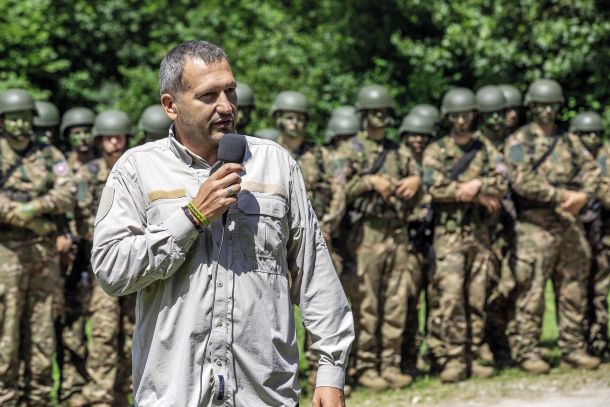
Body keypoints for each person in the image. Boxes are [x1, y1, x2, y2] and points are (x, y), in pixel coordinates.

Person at [91, 40, 353, 407]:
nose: (226, 106)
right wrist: (191, 218)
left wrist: (330, 370)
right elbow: (111, 271)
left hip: (264, 392)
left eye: (230, 91)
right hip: (175, 393)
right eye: (208, 95)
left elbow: (314, 272)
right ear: (171, 105)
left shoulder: (276, 164)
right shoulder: (136, 171)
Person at [504, 79, 601, 373]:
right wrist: (561, 196)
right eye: (541, 105)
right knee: (531, 292)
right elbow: (521, 181)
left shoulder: (570, 141)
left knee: (573, 289)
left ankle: (573, 347)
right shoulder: (519, 142)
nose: (547, 111)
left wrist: (584, 195)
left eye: (552, 105)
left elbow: (593, 170)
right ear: (531, 107)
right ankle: (528, 351)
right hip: (535, 227)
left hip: (569, 225)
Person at [339, 84, 420, 390]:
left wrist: (414, 181)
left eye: (384, 113)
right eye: (373, 113)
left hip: (396, 232)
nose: (380, 118)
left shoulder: (399, 150)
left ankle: (390, 363)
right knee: (367, 303)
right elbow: (339, 192)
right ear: (362, 115)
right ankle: (365, 366)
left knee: (396, 301)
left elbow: (419, 176)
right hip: (365, 234)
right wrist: (369, 182)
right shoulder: (349, 150)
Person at [423, 87, 507, 383]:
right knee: (451, 299)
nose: (461, 121)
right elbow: (432, 186)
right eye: (456, 115)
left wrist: (480, 184)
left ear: (474, 115)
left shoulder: (485, 148)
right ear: (449, 117)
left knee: (477, 297)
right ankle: (455, 359)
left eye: (466, 115)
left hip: (480, 235)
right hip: (450, 237)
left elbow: (503, 179)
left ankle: (473, 355)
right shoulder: (437, 150)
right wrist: (471, 192)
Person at [0, 88, 74, 406]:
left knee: (42, 329)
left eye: (24, 118)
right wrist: (25, 219)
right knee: (6, 330)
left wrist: (34, 208)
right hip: (6, 254)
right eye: (12, 119)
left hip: (43, 256)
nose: (19, 125)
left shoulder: (50, 156)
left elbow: (69, 190)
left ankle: (40, 397)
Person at [77, 109, 135, 406]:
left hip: (137, 265)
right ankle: (100, 398)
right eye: (108, 138)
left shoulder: (138, 168)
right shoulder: (88, 174)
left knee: (133, 334)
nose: (114, 142)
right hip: (104, 266)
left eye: (119, 136)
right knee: (102, 335)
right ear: (99, 140)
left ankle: (124, 396)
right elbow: (82, 220)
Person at [396, 113, 436, 377]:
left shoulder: (435, 159)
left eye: (423, 136)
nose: (418, 140)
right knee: (408, 304)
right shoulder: (398, 159)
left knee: (437, 301)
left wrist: (420, 178)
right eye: (413, 135)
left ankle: (433, 356)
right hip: (408, 241)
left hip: (434, 240)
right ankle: (407, 361)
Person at [569, 111, 609, 360]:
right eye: (586, 134)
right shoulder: (566, 156)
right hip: (573, 233)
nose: (592, 138)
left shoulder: (606, 157)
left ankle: (599, 339)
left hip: (603, 232)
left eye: (596, 133)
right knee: (575, 290)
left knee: (600, 289)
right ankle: (577, 340)